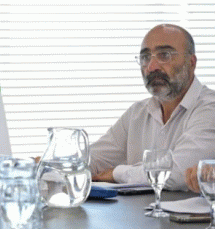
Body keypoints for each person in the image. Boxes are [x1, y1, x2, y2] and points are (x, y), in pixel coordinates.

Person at [90, 24, 215, 190]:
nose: (151, 66)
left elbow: (178, 172)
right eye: (145, 57)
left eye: (164, 55)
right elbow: (94, 159)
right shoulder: (137, 113)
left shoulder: (210, 108)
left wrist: (116, 173)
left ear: (191, 62)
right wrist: (60, 167)